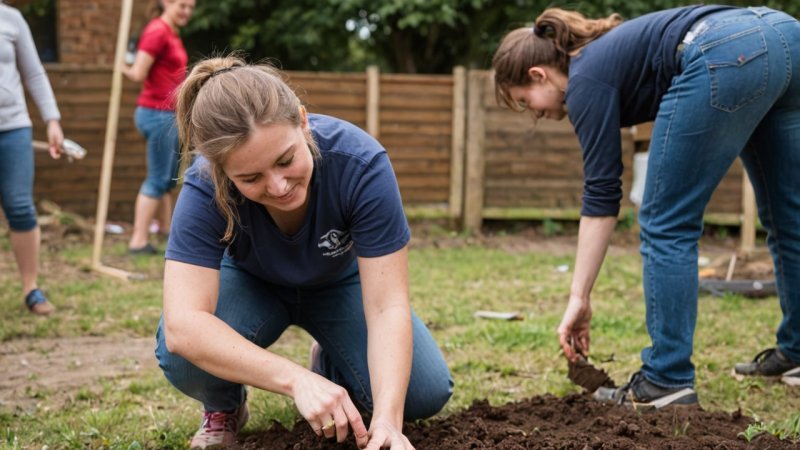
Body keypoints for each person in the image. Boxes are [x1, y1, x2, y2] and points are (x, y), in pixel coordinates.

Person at [492, 5, 800, 408]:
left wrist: (578, 297)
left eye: (525, 100)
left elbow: (602, 194)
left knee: (665, 220)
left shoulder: (584, 79)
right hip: (785, 36)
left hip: (724, 50)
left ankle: (666, 378)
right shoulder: (605, 58)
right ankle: (797, 351)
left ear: (538, 74)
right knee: (788, 216)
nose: (534, 112)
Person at [155, 55, 454, 448]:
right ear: (220, 169)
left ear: (302, 120)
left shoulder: (361, 165)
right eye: (250, 177)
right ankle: (224, 404)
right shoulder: (203, 187)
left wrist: (387, 423)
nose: (278, 187)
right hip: (252, 283)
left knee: (423, 393)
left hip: (337, 282)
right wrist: (295, 380)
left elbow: (386, 307)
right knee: (183, 357)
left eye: (286, 160)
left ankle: (329, 362)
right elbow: (183, 325)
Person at [0, 1, 65, 315]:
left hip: (13, 127)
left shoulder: (11, 19)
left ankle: (31, 289)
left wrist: (52, 120)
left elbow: (34, 73)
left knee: (20, 206)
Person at [121, 0, 195, 254]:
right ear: (166, 2)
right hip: (156, 114)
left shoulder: (171, 32)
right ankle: (138, 241)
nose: (187, 11)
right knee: (157, 180)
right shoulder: (157, 31)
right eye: (182, 5)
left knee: (166, 179)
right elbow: (138, 73)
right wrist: (121, 65)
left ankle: (165, 230)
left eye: (191, 7)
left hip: (167, 115)